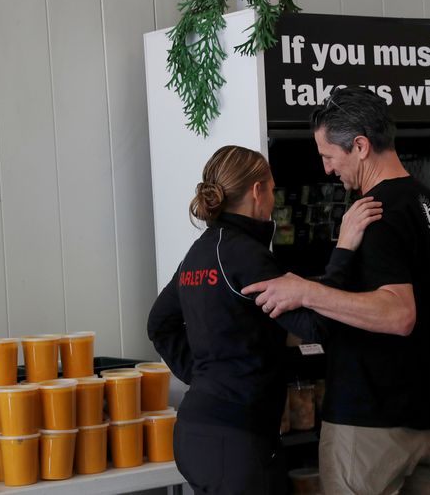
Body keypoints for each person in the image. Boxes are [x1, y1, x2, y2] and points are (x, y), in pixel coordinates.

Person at [243, 86, 430, 495]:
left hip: (370, 427)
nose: (326, 169)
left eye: (328, 155)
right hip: (428, 420)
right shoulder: (427, 203)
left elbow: (398, 314)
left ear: (360, 146)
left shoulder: (374, 213)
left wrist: (305, 291)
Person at [146, 145, 381, 495]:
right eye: (272, 188)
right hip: (235, 440)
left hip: (198, 431)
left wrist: (205, 377)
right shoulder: (246, 255)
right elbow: (317, 325)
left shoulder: (200, 251)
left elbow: (159, 324)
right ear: (257, 191)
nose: (274, 197)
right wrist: (344, 248)